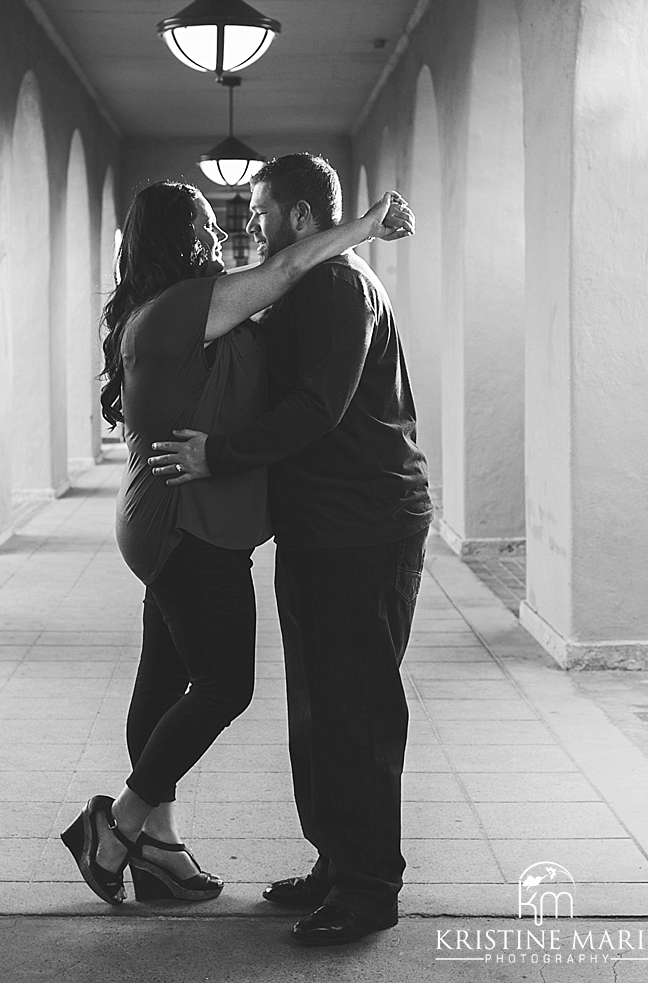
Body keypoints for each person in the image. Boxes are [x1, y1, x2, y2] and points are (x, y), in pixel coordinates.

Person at [60, 177, 413, 908]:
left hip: (167, 517)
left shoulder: (181, 308)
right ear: (176, 238)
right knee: (226, 684)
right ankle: (118, 825)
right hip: (184, 524)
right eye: (204, 220)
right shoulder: (184, 307)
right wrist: (366, 224)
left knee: (163, 676)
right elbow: (283, 272)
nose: (222, 232)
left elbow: (275, 296)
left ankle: (159, 848)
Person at [149, 153, 432, 946]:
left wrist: (221, 454)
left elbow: (318, 406)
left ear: (302, 217)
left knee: (357, 709)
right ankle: (336, 861)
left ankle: (369, 889)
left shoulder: (340, 287)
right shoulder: (308, 284)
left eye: (264, 212)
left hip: (366, 528)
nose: (253, 226)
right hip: (322, 528)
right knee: (317, 709)